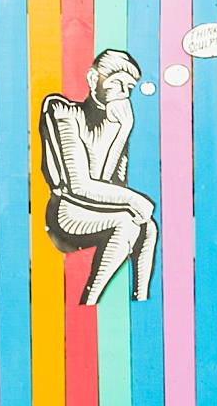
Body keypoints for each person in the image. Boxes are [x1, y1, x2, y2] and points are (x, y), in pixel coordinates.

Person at [39, 49, 157, 305]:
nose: (124, 92)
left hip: (94, 208)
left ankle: (141, 301)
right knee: (128, 222)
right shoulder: (63, 111)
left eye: (129, 87)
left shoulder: (115, 123)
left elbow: (108, 182)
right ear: (94, 80)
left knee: (147, 227)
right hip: (66, 212)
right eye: (117, 83)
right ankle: (90, 303)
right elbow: (79, 186)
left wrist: (123, 130)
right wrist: (137, 201)